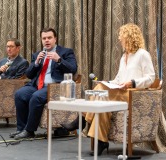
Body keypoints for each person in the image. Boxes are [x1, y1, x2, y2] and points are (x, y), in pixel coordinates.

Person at [61, 23, 156, 156]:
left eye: (121, 35)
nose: (119, 38)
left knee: (100, 90)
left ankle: (81, 119)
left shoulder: (143, 54)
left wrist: (132, 82)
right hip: (120, 93)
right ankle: (101, 142)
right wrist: (109, 82)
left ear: (129, 36)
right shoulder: (124, 56)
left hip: (134, 95)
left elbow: (151, 77)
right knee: (102, 104)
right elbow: (118, 79)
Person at [10, 27, 78, 140]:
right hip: (37, 86)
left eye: (49, 38)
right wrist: (36, 63)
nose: (46, 40)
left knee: (36, 97)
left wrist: (59, 60)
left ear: (55, 39)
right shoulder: (37, 54)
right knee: (20, 94)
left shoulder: (66, 52)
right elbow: (29, 75)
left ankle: (29, 130)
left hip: (55, 87)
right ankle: (21, 129)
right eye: (44, 38)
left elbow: (73, 69)